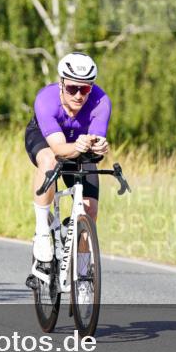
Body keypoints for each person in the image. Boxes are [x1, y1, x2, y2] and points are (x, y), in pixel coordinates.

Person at [24, 52, 111, 290]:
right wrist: (79, 146)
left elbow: (95, 141)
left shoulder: (101, 101)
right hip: (46, 140)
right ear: (61, 83)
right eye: (73, 88)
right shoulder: (46, 99)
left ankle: (83, 274)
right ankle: (43, 232)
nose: (79, 95)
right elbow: (59, 149)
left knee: (90, 210)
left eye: (85, 89)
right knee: (50, 160)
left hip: (79, 145)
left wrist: (100, 146)